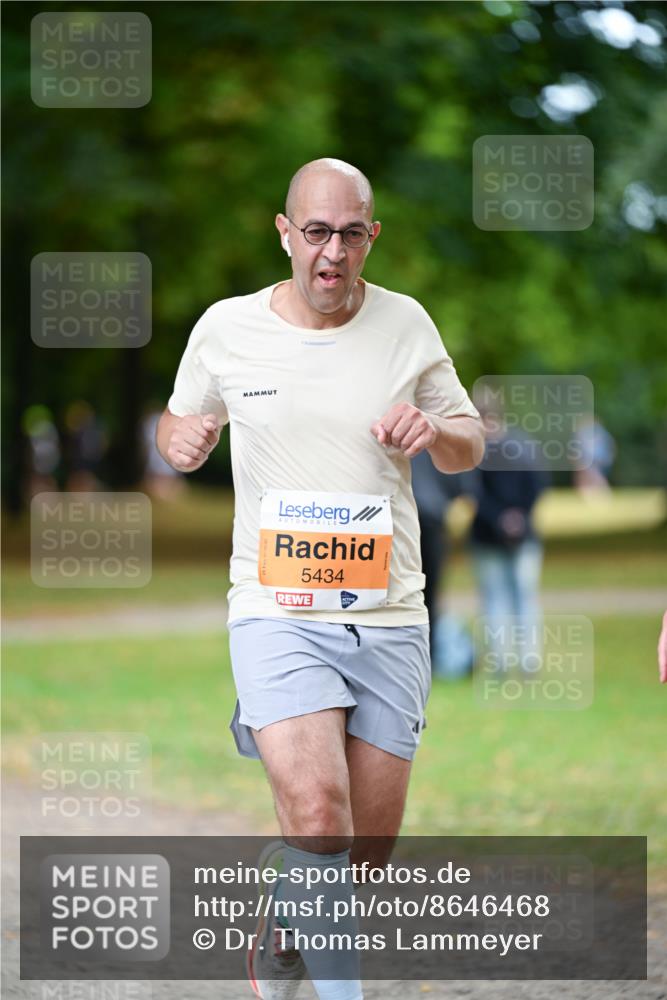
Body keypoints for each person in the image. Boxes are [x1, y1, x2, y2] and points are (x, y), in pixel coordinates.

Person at [157, 158, 484, 1000]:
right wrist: (179, 442)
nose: (331, 253)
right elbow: (180, 417)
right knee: (316, 819)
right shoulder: (226, 327)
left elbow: (468, 437)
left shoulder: (406, 324)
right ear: (284, 232)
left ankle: (283, 923)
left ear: (371, 236)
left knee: (359, 861)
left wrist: (434, 431)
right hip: (274, 609)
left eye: (349, 234)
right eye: (315, 232)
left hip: (389, 614)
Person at [469, 394, 549, 673]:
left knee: (518, 597)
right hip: (493, 537)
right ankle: (504, 659)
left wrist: (514, 519)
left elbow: (536, 486)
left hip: (516, 536)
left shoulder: (507, 449)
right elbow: (475, 494)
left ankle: (525, 659)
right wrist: (510, 519)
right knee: (500, 598)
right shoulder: (489, 451)